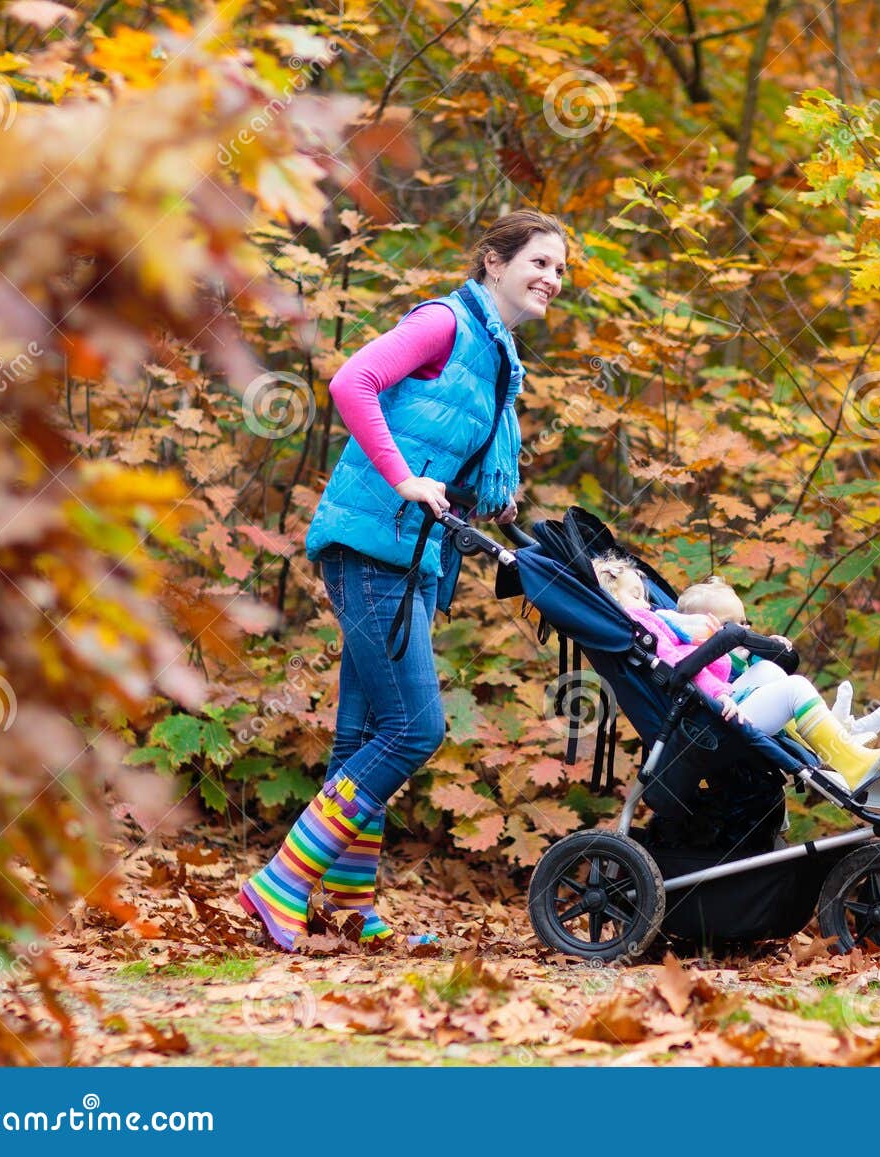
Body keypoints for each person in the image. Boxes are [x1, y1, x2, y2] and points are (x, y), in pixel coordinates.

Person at [238, 209, 569, 952]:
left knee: (362, 732)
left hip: (413, 554)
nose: (552, 278)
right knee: (415, 728)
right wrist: (406, 480)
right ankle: (280, 881)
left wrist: (489, 493)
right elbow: (351, 381)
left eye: (560, 270)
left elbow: (441, 434)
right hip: (370, 545)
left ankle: (353, 910)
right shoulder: (445, 324)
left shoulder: (494, 353)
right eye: (539, 262)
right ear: (493, 260)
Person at [591, 555, 880, 791]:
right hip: (709, 722)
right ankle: (854, 766)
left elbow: (696, 663)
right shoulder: (641, 627)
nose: (645, 604)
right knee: (794, 688)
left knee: (770, 669)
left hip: (710, 709)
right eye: (635, 596)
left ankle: (834, 745)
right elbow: (681, 666)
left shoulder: (649, 623)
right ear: (610, 598)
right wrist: (718, 695)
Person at [665, 576, 880, 740]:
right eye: (729, 624)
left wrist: (767, 649)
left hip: (744, 706)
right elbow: (710, 680)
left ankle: (841, 730)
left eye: (744, 622)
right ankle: (841, 743)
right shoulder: (691, 653)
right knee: (796, 686)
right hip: (719, 718)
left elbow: (757, 675)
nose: (742, 629)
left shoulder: (738, 652)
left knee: (772, 671)